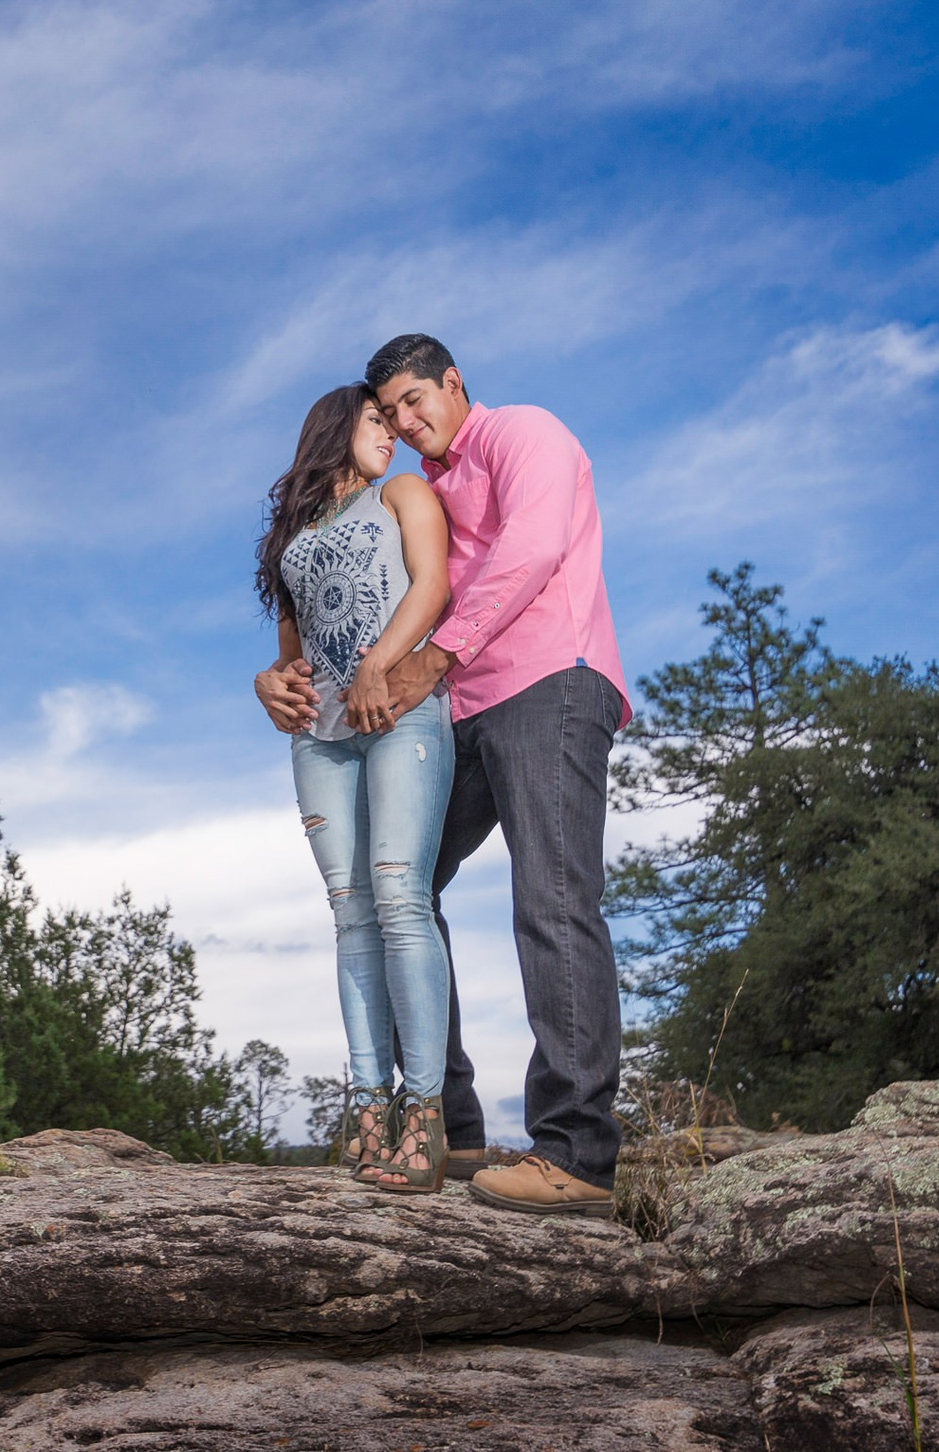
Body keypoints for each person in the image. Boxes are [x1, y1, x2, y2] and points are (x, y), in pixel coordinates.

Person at [257, 336, 630, 1218]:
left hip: (551, 682)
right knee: (409, 886)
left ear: (455, 382)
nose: (406, 422)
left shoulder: (523, 434)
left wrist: (430, 656)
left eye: (417, 401)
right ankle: (454, 1125)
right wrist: (283, 672)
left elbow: (533, 549)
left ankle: (576, 1153)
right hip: (465, 706)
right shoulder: (427, 485)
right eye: (389, 414)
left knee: (552, 895)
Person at [253, 384, 456, 1192]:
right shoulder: (290, 539)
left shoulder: (403, 494)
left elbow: (433, 586)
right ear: (337, 428)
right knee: (351, 915)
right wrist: (265, 685)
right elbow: (287, 655)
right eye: (378, 420)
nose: (396, 434)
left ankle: (427, 1119)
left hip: (403, 715)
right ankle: (368, 1108)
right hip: (321, 740)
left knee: (401, 895)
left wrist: (379, 662)